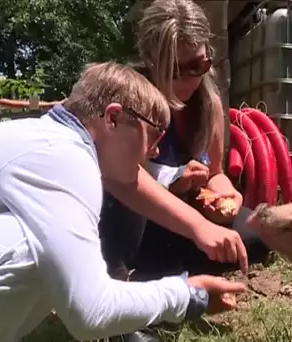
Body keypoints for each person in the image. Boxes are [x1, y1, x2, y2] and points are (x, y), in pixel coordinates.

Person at [0, 62, 246, 342]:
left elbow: (132, 187)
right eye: (154, 134)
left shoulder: (46, 142)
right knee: (33, 253)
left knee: (50, 258)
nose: (156, 151)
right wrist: (187, 295)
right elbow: (91, 312)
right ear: (113, 119)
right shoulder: (64, 158)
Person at [99, 0, 271, 284]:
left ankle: (167, 273)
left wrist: (226, 197)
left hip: (188, 220)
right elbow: (121, 180)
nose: (190, 78)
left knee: (256, 234)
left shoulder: (209, 105)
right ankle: (130, 280)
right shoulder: (130, 98)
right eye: (177, 68)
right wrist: (175, 183)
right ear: (151, 60)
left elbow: (216, 173)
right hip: (140, 215)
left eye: (200, 64)